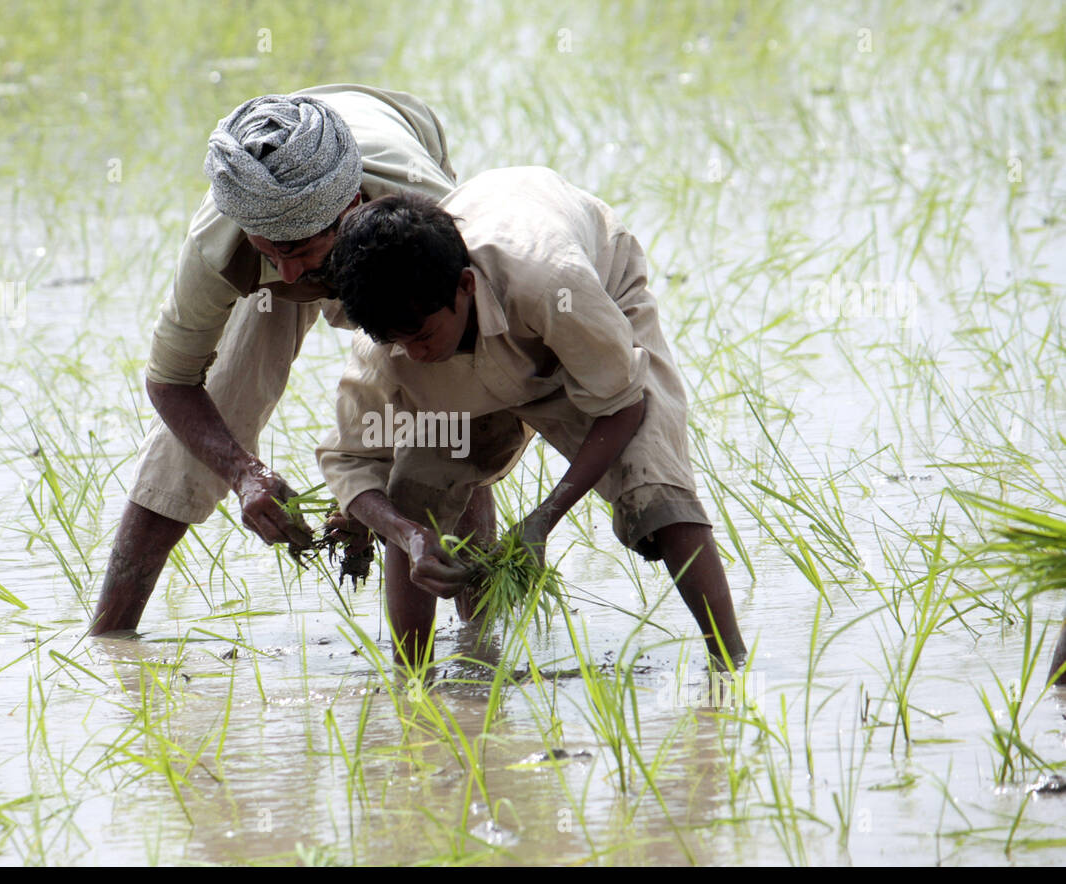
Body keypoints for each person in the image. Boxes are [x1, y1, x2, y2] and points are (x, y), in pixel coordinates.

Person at [91, 84, 497, 634]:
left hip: (385, 212)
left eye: (300, 251)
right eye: (269, 252)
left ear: (350, 211)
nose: (286, 275)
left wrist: (367, 492)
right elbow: (170, 381)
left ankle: (481, 641)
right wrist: (244, 475)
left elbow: (472, 369)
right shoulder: (222, 243)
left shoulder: (426, 213)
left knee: (443, 405)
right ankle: (110, 636)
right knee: (213, 409)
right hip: (286, 208)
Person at [316, 166, 747, 669]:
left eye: (420, 335)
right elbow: (350, 461)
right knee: (413, 491)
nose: (411, 353)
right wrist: (408, 535)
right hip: (477, 348)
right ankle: (414, 682)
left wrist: (544, 518)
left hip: (587, 321)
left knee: (654, 487)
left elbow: (623, 402)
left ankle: (731, 663)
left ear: (465, 286)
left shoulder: (553, 283)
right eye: (395, 340)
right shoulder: (389, 345)